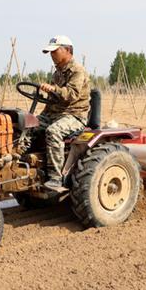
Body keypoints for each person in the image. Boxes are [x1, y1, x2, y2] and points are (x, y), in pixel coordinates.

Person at [20, 35, 90, 192]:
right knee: (27, 125)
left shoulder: (77, 71)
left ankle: (55, 177)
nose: (52, 55)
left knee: (53, 131)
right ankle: (20, 163)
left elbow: (71, 95)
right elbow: (54, 98)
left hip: (74, 115)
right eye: (50, 52)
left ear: (67, 50)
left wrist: (53, 89)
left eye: (55, 51)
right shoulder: (57, 73)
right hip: (54, 113)